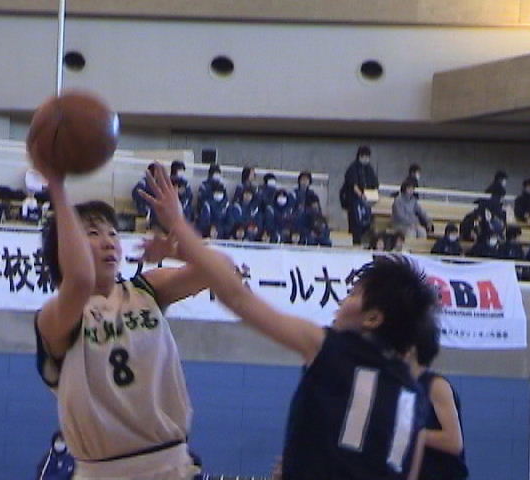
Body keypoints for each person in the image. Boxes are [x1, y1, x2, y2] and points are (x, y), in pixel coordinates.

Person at [143, 164, 438, 480]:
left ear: (373, 318)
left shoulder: (333, 349)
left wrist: (178, 224)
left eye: (353, 294)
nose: (342, 301)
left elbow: (237, 297)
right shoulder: (415, 397)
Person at [32, 150, 208, 480]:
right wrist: (57, 185)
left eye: (113, 233)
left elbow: (221, 273)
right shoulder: (54, 317)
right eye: (92, 233)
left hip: (173, 463)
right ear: (64, 249)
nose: (108, 241)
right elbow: (79, 280)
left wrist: (179, 233)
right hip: (104, 470)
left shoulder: (145, 290)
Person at [406, 325, 469, 480]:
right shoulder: (402, 384)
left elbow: (454, 442)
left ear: (411, 349)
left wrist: (412, 433)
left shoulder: (436, 385)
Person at [341, 145, 379, 244]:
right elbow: (353, 185)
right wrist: (361, 195)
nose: (366, 159)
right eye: (364, 157)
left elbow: (374, 183)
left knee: (367, 224)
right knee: (355, 225)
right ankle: (355, 243)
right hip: (354, 201)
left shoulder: (369, 168)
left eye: (368, 157)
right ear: (360, 156)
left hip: (367, 201)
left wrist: (372, 194)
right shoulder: (353, 168)